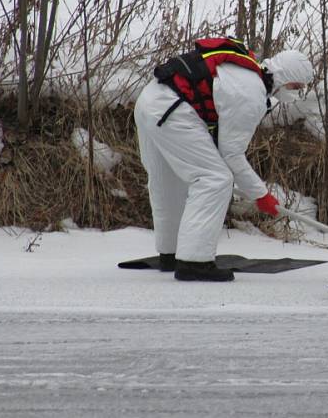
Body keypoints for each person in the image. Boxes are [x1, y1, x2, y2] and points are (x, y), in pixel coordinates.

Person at [134, 37, 314, 282]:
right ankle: (193, 262)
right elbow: (230, 154)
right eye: (296, 87)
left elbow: (221, 145)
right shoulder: (251, 92)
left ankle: (171, 253)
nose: (295, 94)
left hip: (150, 101)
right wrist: (261, 195)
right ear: (287, 78)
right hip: (172, 110)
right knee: (215, 179)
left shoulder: (245, 74)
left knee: (170, 181)